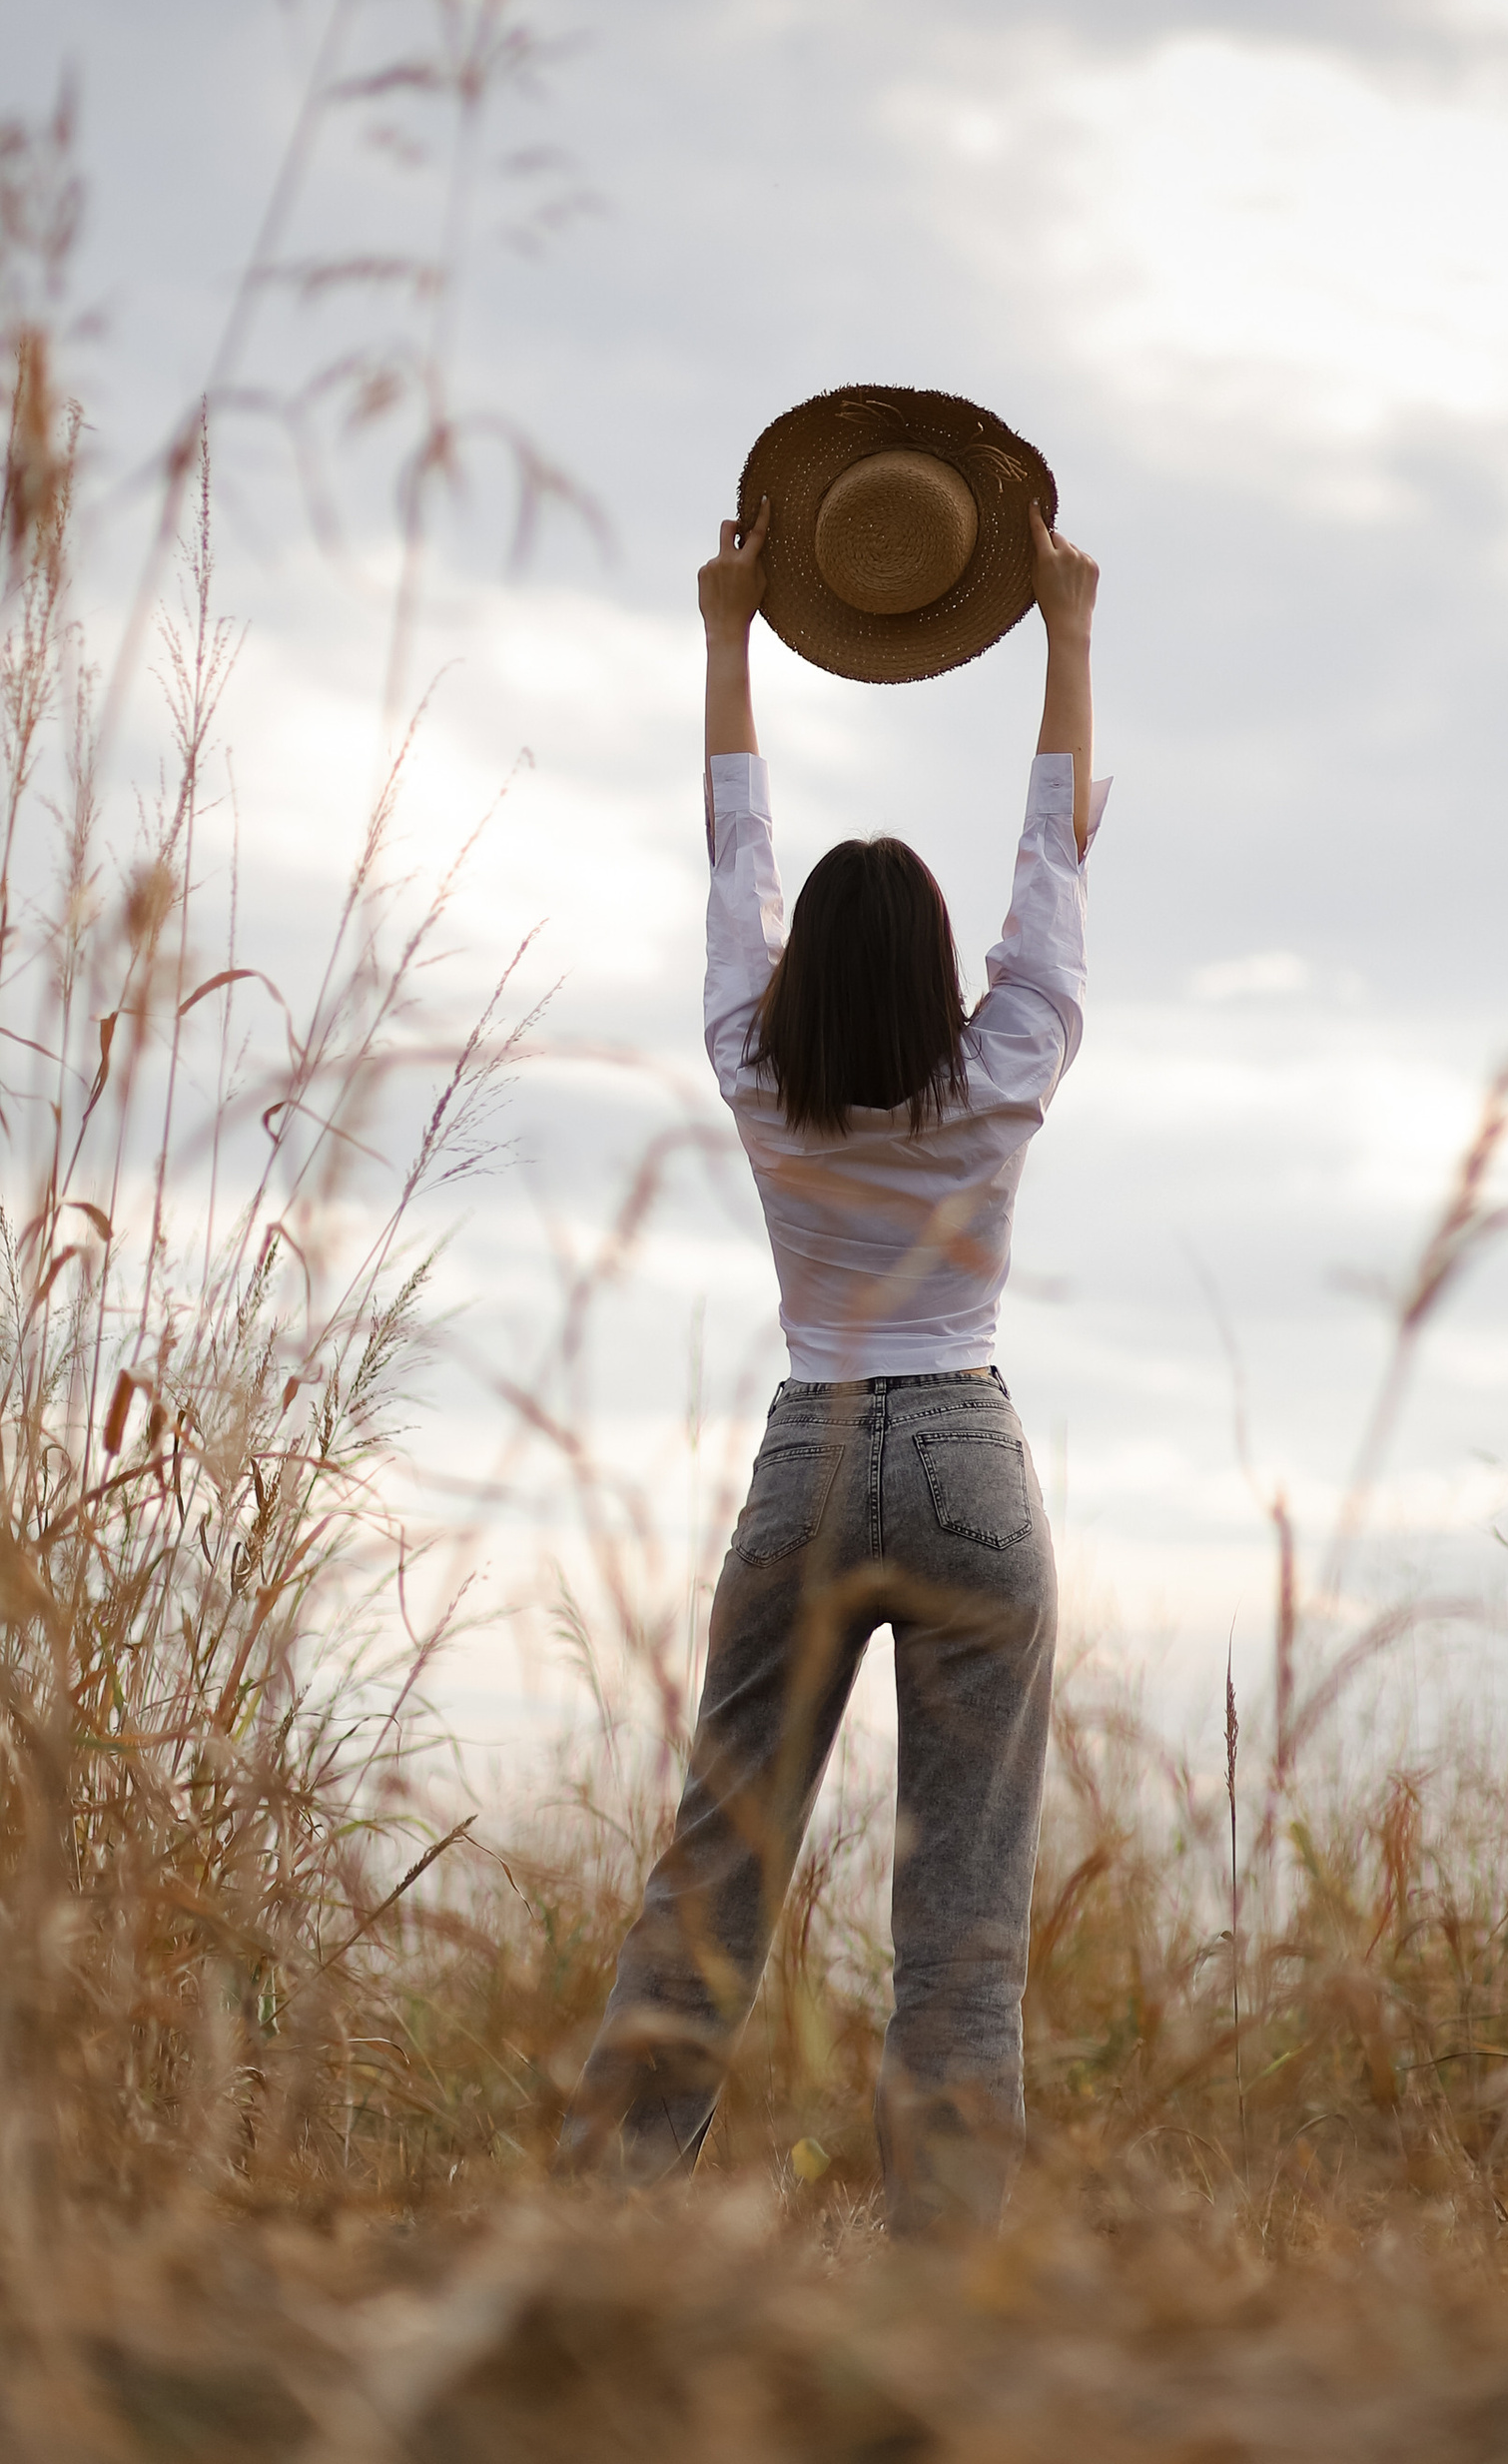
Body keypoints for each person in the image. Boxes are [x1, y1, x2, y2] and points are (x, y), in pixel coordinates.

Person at [557, 490, 1104, 2229]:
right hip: (968, 1461)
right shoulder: (1005, 1065)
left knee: (718, 1872)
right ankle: (942, 2275)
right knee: (962, 1905)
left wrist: (728, 630)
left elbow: (733, 858)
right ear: (947, 971)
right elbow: (1054, 865)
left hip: (810, 1454)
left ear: (799, 979)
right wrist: (1066, 630)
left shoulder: (751, 1067)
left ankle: (602, 2232)